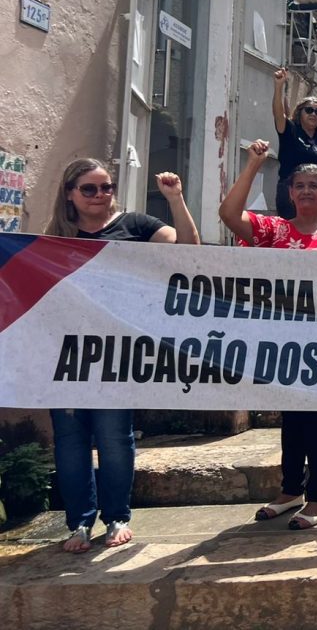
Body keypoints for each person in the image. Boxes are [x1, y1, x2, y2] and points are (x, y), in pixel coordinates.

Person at [45, 160, 199, 552]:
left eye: (106, 188)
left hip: (117, 351)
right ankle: (78, 523)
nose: (100, 196)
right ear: (69, 193)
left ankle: (117, 516)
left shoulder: (136, 225)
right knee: (70, 441)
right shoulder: (52, 239)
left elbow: (188, 249)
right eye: (90, 189)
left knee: (115, 437)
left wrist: (175, 199)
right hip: (65, 353)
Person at [221, 141, 317, 530]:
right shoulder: (273, 230)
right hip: (281, 340)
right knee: (292, 417)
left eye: (313, 186)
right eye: (298, 185)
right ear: (289, 192)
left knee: (315, 417)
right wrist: (253, 165)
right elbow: (229, 215)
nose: (305, 191)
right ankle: (291, 490)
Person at [271, 67, 317, 218]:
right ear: (300, 112)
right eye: (309, 110)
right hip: (293, 196)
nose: (314, 114)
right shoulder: (290, 131)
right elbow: (278, 114)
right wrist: (279, 86)